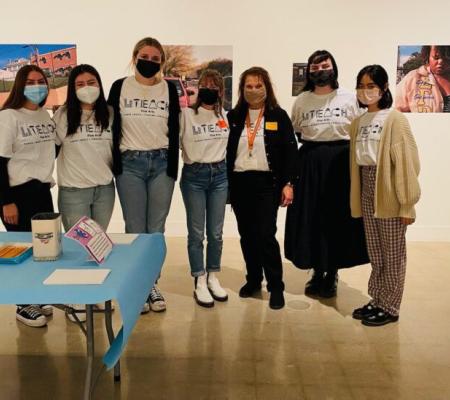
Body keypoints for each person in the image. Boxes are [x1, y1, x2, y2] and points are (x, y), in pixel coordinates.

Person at [285, 50, 369, 298]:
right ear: (309, 72)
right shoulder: (302, 100)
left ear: (333, 67)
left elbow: (360, 130)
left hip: (341, 162)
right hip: (310, 162)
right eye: (315, 67)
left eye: (325, 64)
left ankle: (331, 271)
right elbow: (297, 133)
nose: (320, 70)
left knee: (337, 217)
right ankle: (316, 270)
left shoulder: (349, 98)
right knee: (312, 216)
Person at [108, 37, 180, 313]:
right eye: (145, 56)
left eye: (155, 58)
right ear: (135, 56)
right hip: (130, 165)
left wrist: (173, 168)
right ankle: (136, 284)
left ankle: (151, 283)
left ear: (161, 62)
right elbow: (110, 125)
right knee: (135, 229)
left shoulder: (169, 89)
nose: (149, 62)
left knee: (156, 230)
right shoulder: (120, 86)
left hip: (161, 163)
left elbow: (174, 128)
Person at [350, 65, 420, 326]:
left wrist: (407, 205)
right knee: (376, 251)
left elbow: (407, 163)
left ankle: (390, 306)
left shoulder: (394, 119)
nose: (366, 91)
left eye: (371, 86)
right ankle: (377, 299)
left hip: (389, 190)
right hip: (367, 187)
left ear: (384, 88)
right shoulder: (358, 123)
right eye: (362, 86)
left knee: (393, 253)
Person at [227, 66, 297, 310]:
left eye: (258, 86)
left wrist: (289, 183)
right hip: (240, 183)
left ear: (267, 87)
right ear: (241, 89)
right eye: (249, 86)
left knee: (266, 234)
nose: (254, 90)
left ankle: (276, 287)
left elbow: (290, 152)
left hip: (268, 184)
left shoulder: (278, 116)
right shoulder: (233, 116)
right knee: (247, 236)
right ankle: (254, 280)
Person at [54, 64, 114, 322]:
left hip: (104, 189)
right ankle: (75, 298)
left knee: (96, 246)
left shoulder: (110, 113)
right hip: (74, 191)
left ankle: (93, 295)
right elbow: (51, 150)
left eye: (91, 82)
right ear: (72, 88)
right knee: (77, 247)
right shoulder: (63, 115)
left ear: (99, 84)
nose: (86, 88)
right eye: (79, 84)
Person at [0, 65, 56, 327]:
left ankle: (36, 294)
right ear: (20, 85)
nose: (37, 86)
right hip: (16, 194)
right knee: (21, 250)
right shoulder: (8, 117)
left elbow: (51, 150)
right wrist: (5, 201)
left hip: (41, 190)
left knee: (44, 247)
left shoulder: (45, 115)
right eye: (30, 81)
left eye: (41, 81)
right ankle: (23, 305)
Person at [180, 69, 229, 307]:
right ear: (199, 88)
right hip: (194, 176)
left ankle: (213, 276)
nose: (209, 89)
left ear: (221, 91)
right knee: (196, 233)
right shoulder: (187, 115)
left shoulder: (226, 116)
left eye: (215, 86)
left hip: (220, 176)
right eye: (205, 85)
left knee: (216, 233)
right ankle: (199, 279)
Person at [396, 45, 450, 113]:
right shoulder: (412, 78)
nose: (441, 61)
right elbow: (395, 110)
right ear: (428, 56)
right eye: (436, 57)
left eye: (446, 58)